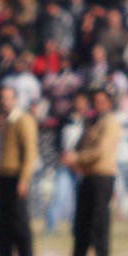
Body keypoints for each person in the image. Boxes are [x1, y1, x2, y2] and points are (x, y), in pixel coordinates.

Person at [65, 88, 121, 256]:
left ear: (109, 103)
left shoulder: (110, 123)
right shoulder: (90, 122)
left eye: (101, 101)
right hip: (87, 174)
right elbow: (80, 144)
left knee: (99, 220)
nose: (97, 104)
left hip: (102, 175)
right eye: (95, 101)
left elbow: (100, 151)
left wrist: (77, 158)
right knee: (82, 220)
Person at [0, 86, 38, 256]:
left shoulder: (23, 120)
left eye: (8, 98)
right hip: (4, 177)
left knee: (20, 223)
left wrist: (24, 179)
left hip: (16, 177)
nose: (5, 102)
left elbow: (29, 153)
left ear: (15, 99)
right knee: (2, 224)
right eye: (2, 98)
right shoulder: (6, 122)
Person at [45, 94, 85, 234]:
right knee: (60, 194)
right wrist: (63, 155)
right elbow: (57, 141)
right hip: (65, 163)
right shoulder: (65, 120)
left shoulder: (88, 121)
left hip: (81, 164)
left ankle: (76, 226)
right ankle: (51, 226)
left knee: (79, 198)